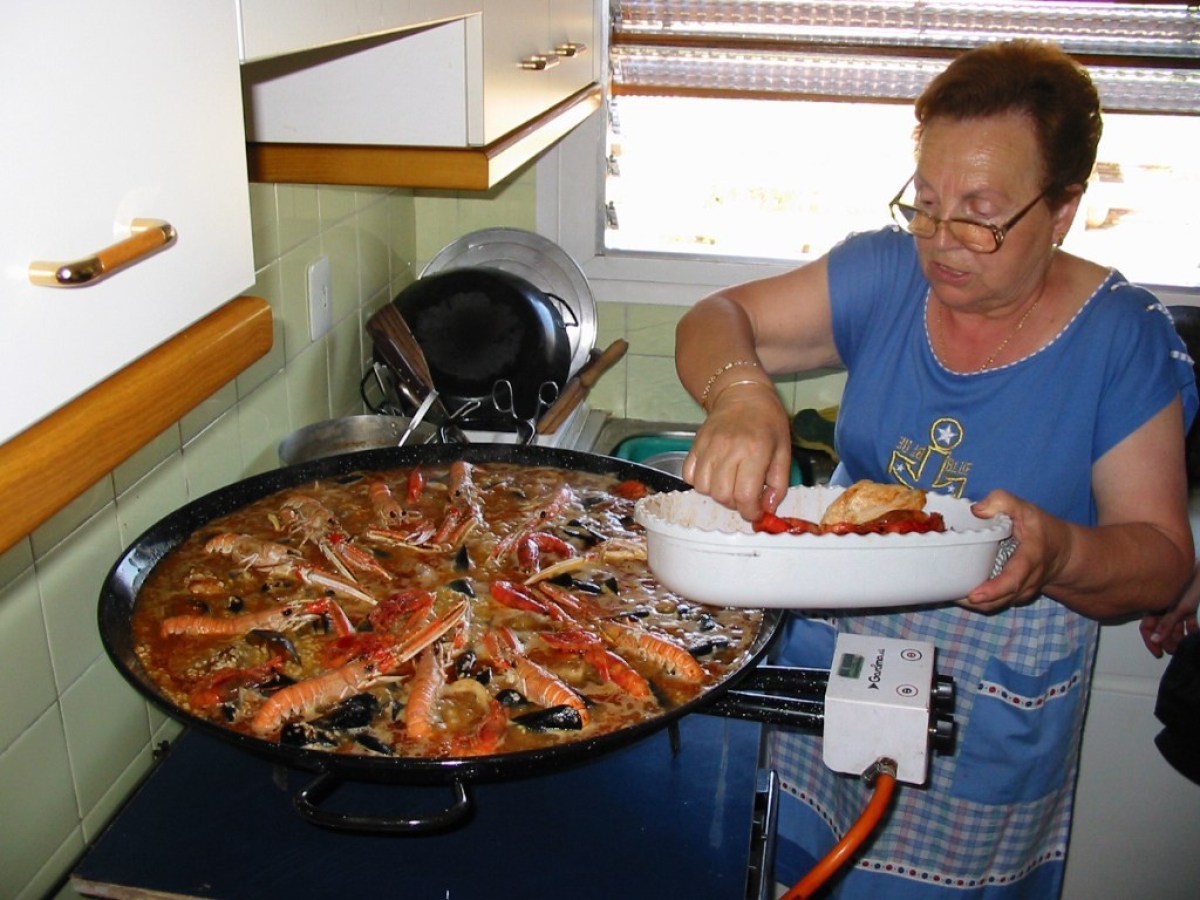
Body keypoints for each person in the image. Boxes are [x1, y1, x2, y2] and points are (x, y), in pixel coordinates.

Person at [674, 40, 1197, 898]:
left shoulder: (1121, 338)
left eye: (980, 215)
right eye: (925, 203)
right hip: (835, 655)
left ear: (1063, 209)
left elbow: (1163, 560)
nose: (942, 241)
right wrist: (739, 393)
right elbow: (718, 316)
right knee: (806, 868)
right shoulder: (887, 274)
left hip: (985, 708)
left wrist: (1060, 552)